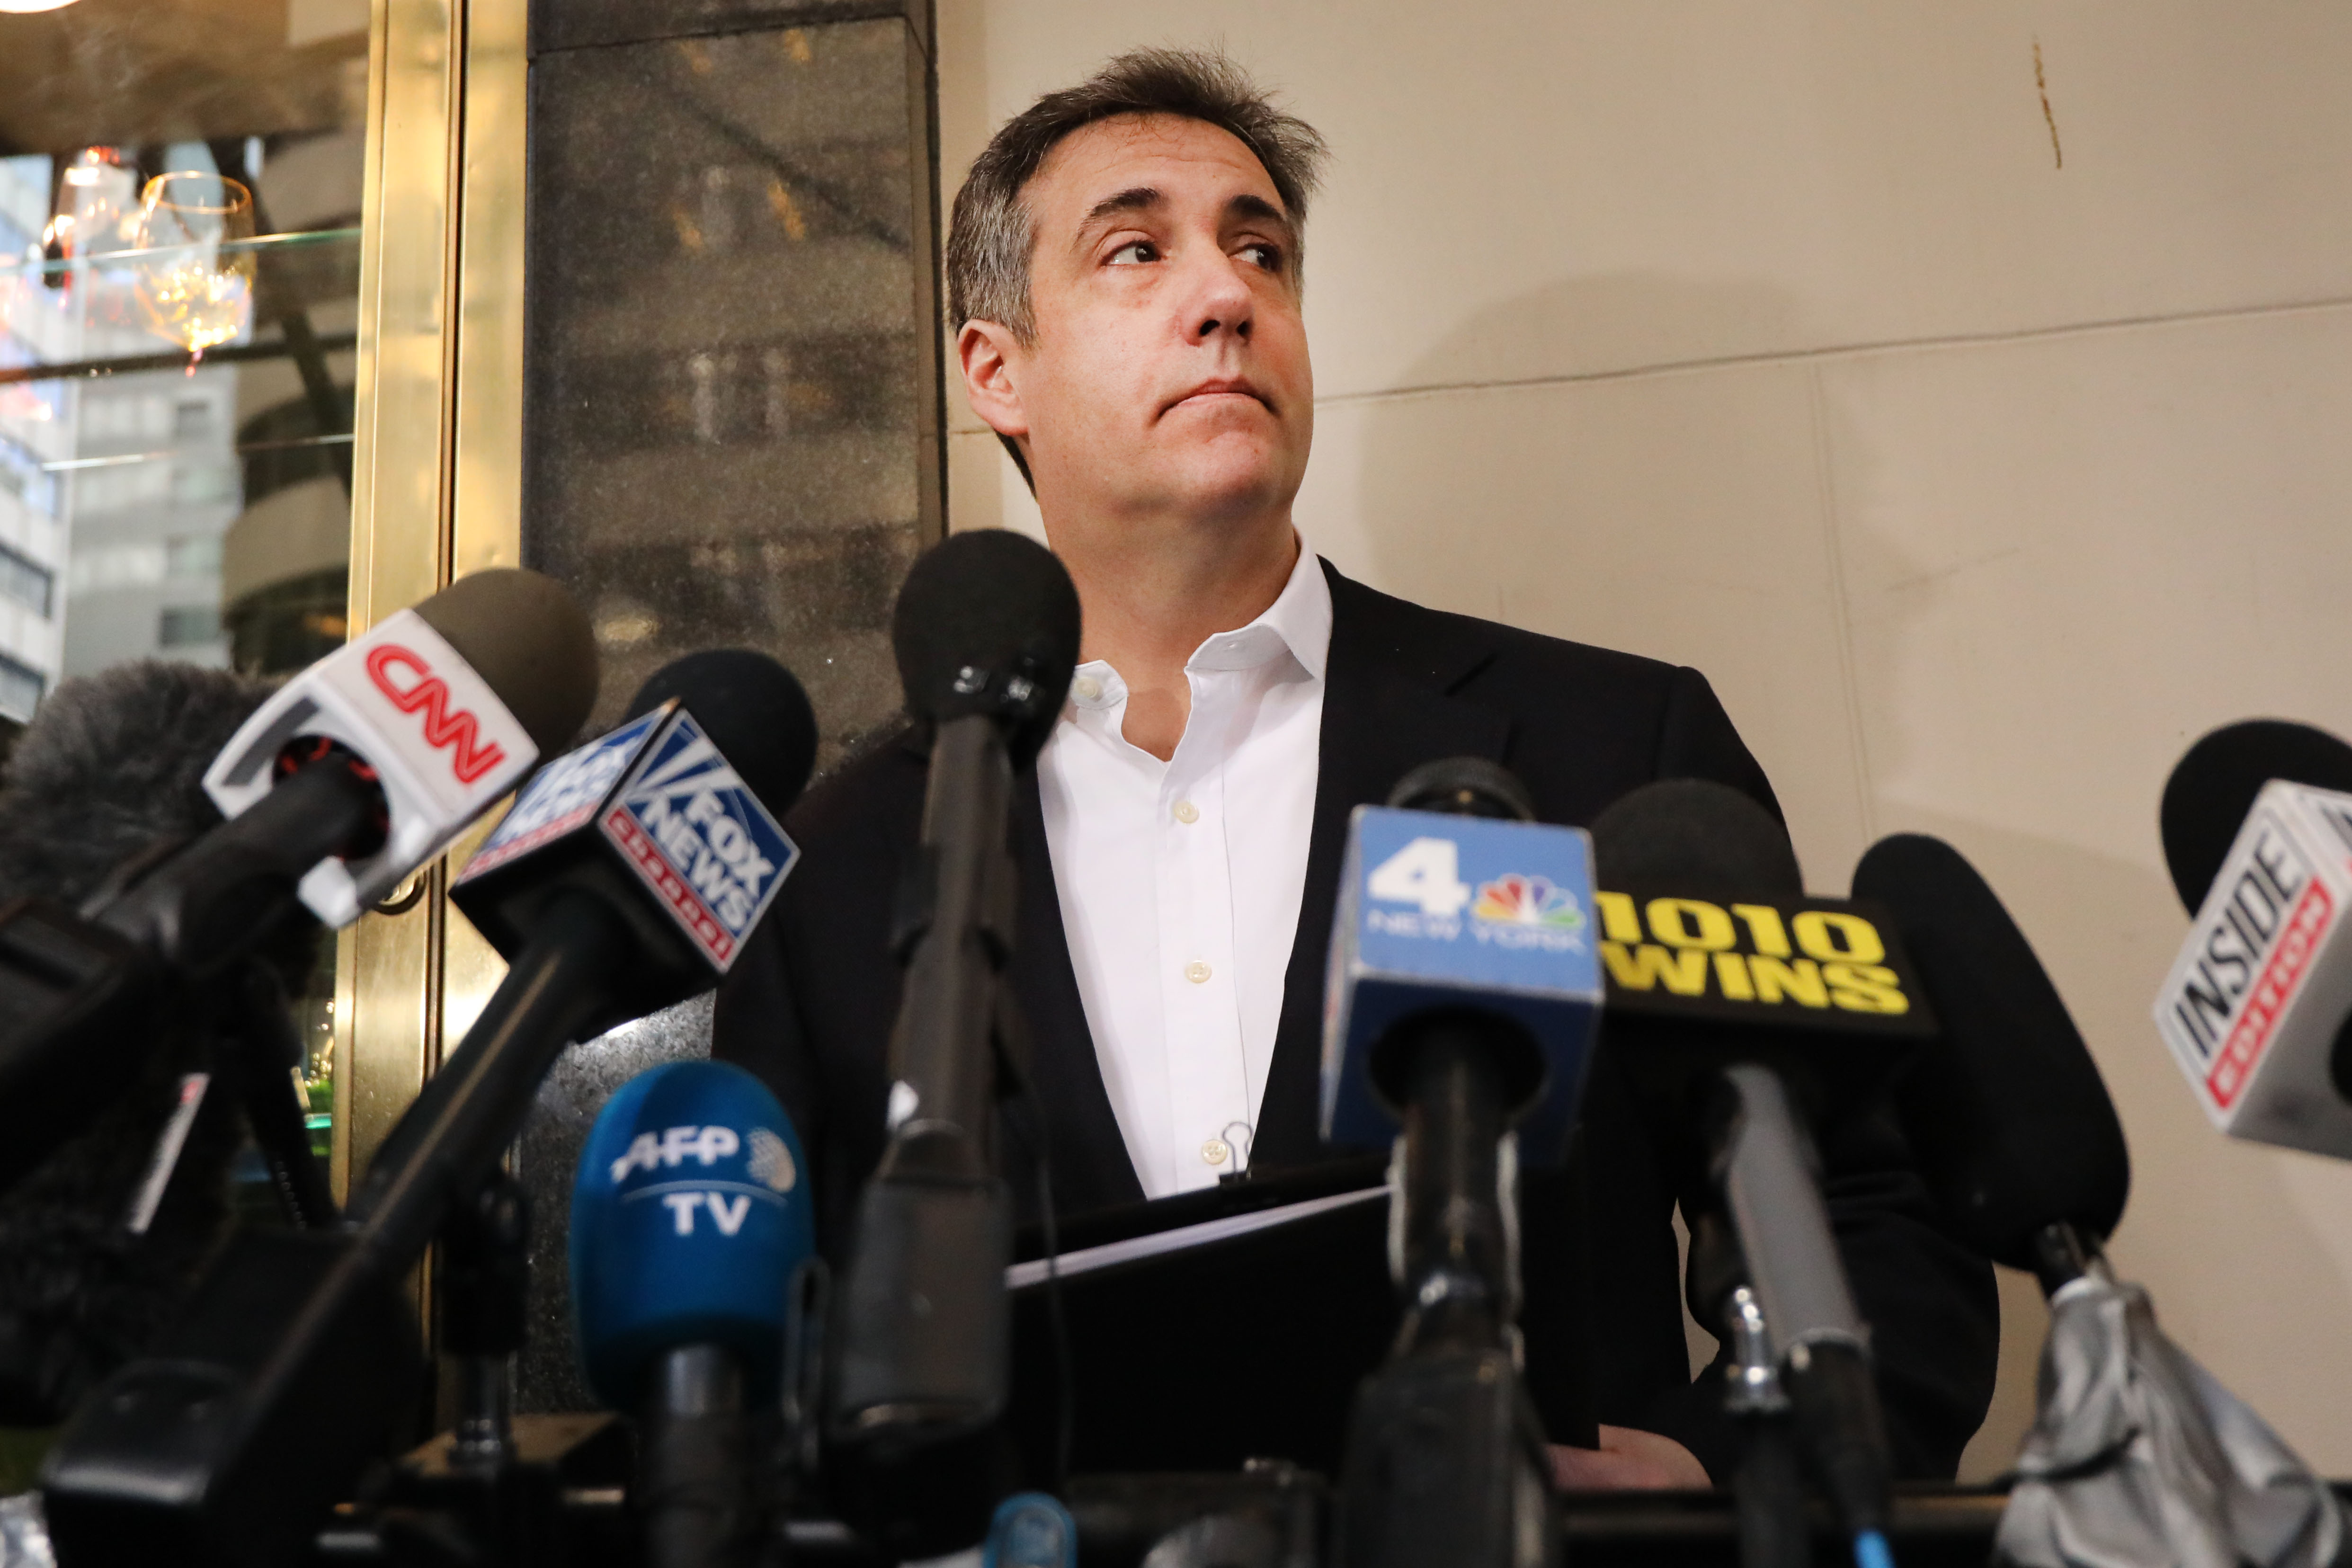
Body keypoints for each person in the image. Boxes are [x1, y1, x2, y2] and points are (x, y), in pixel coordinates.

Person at [714, 46, 1996, 1491]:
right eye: (1139, 250)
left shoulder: (1605, 752)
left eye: (1260, 250)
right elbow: (757, 1375)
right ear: (995, 367)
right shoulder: (838, 869)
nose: (1228, 296)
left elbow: (1883, 1236)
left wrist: (1708, 1480)